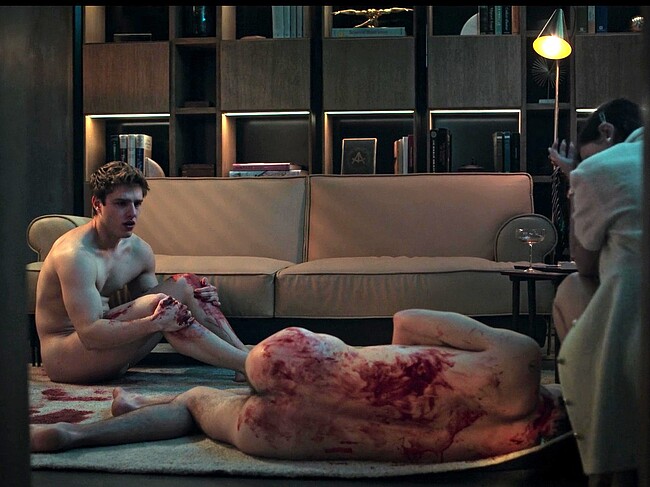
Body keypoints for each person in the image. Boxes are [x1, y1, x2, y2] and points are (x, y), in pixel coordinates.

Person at [30, 309, 570, 463]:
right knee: (199, 403)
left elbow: (406, 323)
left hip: (303, 363)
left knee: (216, 388)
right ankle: (76, 438)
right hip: (292, 436)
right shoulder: (518, 446)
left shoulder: (521, 357)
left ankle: (108, 419)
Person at [34, 161, 250, 384]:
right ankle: (250, 364)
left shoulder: (139, 250)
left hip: (111, 348)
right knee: (160, 306)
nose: (132, 213)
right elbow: (90, 335)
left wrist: (201, 296)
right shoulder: (76, 256)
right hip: (67, 358)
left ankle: (247, 360)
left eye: (137, 203)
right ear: (97, 204)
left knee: (187, 284)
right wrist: (155, 323)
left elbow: (151, 299)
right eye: (121, 204)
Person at [548, 98, 643, 486]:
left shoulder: (598, 170)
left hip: (636, 331)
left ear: (607, 131)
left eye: (588, 156)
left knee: (571, 287)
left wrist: (577, 178)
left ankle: (605, 444)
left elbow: (584, 263)